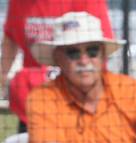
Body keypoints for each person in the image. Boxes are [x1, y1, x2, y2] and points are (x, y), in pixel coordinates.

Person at [26, 12, 136, 143]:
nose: (84, 60)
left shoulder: (133, 90)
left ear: (103, 55)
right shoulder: (43, 96)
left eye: (92, 51)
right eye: (73, 53)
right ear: (57, 58)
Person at [0, 0, 114, 130]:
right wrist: (2, 77)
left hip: (80, 97)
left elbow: (101, 50)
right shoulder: (18, 3)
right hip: (34, 98)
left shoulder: (89, 2)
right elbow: (10, 36)